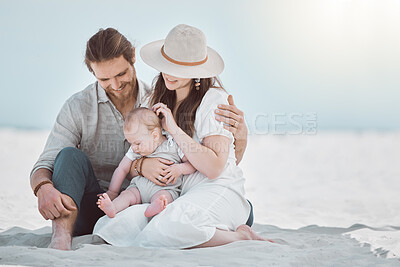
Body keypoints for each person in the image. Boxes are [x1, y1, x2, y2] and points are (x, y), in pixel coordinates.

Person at [29, 27, 250, 250]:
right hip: (119, 196)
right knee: (76, 170)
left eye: (121, 74)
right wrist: (44, 188)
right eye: (105, 78)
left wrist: (239, 135)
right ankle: (62, 236)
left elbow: (219, 164)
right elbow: (47, 162)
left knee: (169, 225)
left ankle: (235, 230)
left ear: (133, 57)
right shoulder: (142, 100)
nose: (115, 85)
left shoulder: (174, 100)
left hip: (165, 194)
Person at [100, 24, 269, 248]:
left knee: (170, 227)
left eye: (178, 68)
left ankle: (241, 237)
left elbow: (215, 168)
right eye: (167, 65)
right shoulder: (153, 101)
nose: (169, 73)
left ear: (196, 72)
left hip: (217, 189)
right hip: (175, 193)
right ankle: (209, 232)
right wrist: (143, 166)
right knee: (113, 227)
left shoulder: (214, 101)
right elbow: (133, 158)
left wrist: (174, 129)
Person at [97, 107, 196, 218]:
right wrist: (112, 192)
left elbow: (192, 165)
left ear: (154, 135)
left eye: (137, 143)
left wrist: (179, 169)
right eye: (131, 144)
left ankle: (154, 208)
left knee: (164, 198)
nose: (134, 148)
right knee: (127, 195)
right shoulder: (136, 149)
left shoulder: (173, 144)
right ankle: (113, 208)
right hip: (139, 188)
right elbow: (122, 168)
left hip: (164, 189)